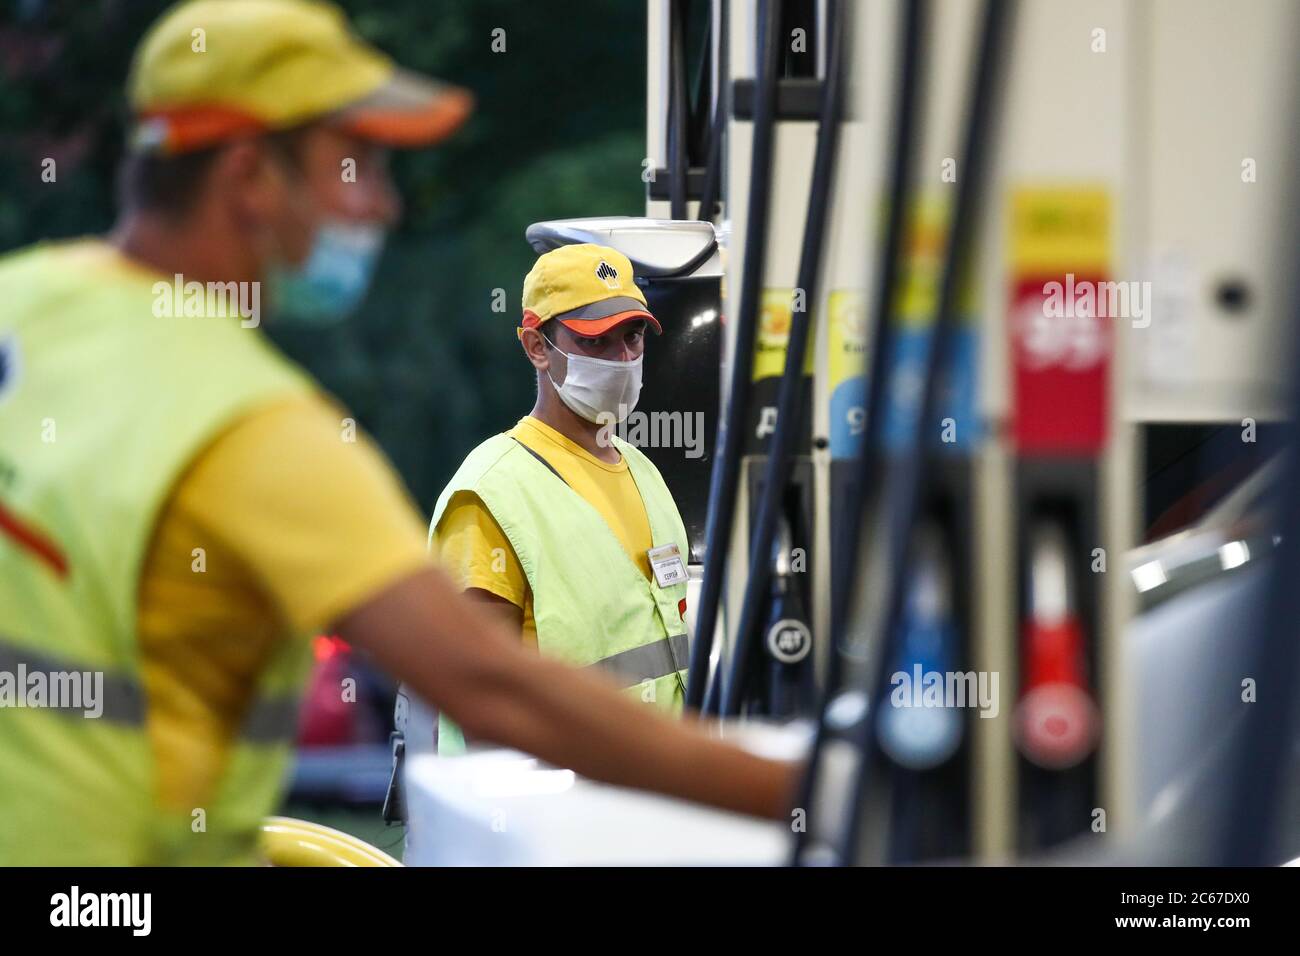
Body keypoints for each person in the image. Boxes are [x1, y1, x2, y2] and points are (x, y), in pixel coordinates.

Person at [0, 0, 794, 866]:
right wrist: (806, 794)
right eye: (357, 163)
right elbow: (490, 687)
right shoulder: (253, 429)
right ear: (249, 175)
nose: (382, 203)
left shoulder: (21, 304)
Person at [429, 244, 690, 752]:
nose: (623, 359)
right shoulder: (491, 491)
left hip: (655, 791)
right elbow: (480, 710)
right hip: (553, 799)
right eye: (595, 341)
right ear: (537, 347)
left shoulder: (644, 472)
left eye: (633, 336)